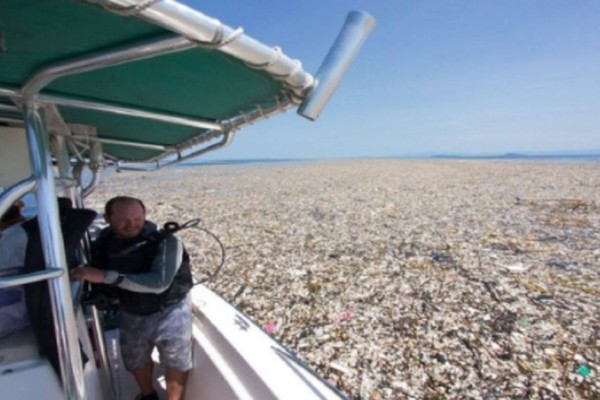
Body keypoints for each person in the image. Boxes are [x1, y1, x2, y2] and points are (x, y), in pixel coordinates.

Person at [72, 196, 193, 400]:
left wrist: (105, 277)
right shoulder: (105, 242)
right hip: (131, 308)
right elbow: (99, 265)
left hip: (169, 310)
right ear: (108, 219)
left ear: (145, 216)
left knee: (176, 359)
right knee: (134, 358)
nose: (131, 225)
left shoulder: (166, 242)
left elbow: (159, 283)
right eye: (123, 220)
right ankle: (147, 395)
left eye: (137, 218)